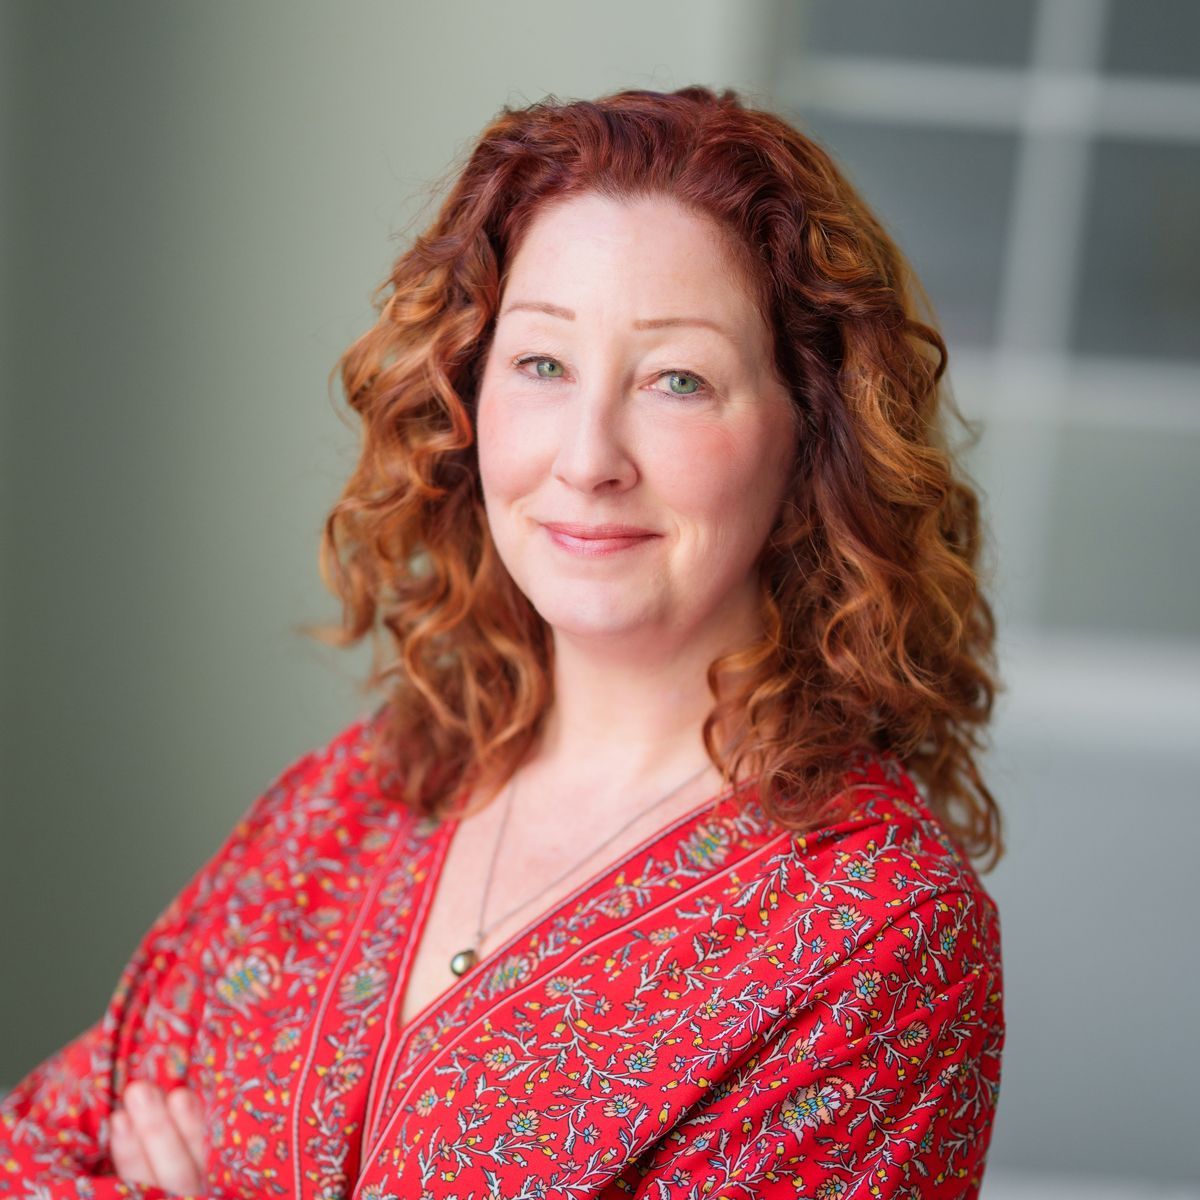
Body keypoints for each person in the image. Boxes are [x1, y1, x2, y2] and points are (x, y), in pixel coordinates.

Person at [1, 85, 1005, 1199]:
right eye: (542, 364)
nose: (588, 458)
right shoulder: (356, 801)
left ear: (813, 433)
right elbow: (29, 1156)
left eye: (678, 380)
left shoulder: (878, 934)